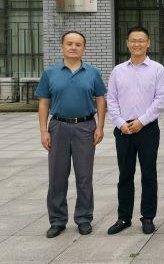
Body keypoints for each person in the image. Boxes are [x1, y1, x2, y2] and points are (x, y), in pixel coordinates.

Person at [36, 31, 107, 238]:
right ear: (62, 47)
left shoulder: (92, 72)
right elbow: (44, 103)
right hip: (58, 127)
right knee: (57, 177)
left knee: (84, 176)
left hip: (85, 127)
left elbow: (100, 99)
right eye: (69, 44)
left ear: (83, 48)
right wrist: (43, 130)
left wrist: (100, 127)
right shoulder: (50, 73)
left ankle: (84, 218)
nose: (73, 47)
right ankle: (57, 220)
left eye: (78, 44)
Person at [106, 26, 164, 235]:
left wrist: (141, 121)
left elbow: (160, 100)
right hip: (123, 129)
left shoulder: (157, 69)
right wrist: (120, 123)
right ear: (127, 43)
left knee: (148, 174)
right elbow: (111, 99)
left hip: (147, 128)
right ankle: (124, 218)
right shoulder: (118, 71)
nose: (137, 44)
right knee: (125, 174)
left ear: (148, 43)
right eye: (133, 40)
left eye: (141, 40)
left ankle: (148, 217)